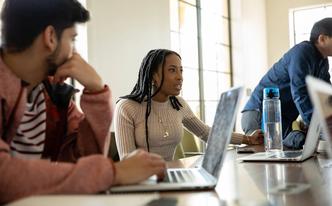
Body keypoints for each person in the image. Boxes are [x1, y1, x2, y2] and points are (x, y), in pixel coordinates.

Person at [0, 0, 165, 203]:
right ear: (50, 37)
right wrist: (113, 172)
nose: (74, 51)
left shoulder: (53, 95)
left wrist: (97, 93)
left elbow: (85, 160)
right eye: (73, 39)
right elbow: (5, 177)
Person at [114, 49, 263, 161]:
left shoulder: (178, 105)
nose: (180, 77)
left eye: (181, 70)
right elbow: (127, 161)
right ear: (154, 76)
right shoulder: (126, 107)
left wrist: (248, 139)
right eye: (172, 70)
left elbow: (206, 133)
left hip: (170, 177)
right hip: (141, 183)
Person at [242, 17, 332, 149]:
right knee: (266, 156)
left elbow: (326, 96)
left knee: (292, 152)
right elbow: (300, 93)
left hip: (282, 117)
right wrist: (320, 128)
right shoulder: (303, 52)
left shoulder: (322, 61)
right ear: (322, 39)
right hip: (261, 112)